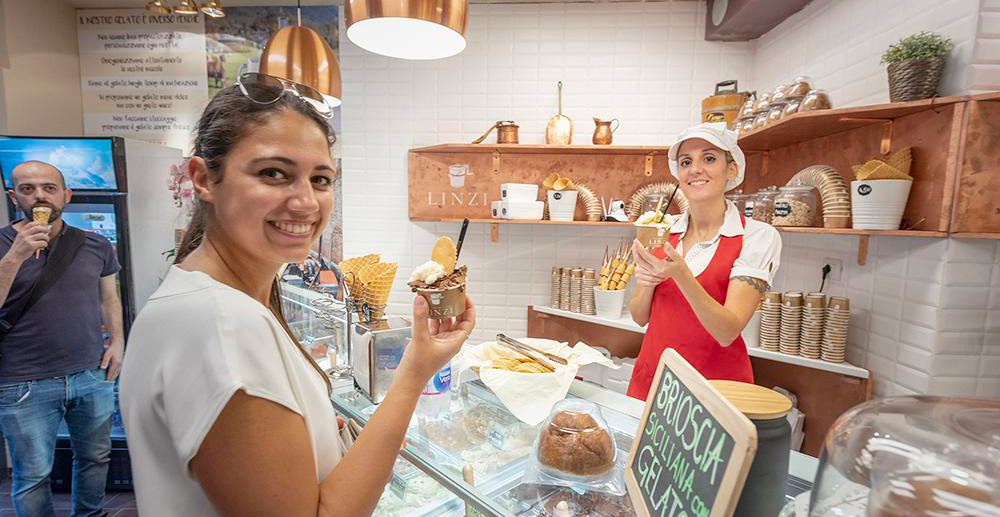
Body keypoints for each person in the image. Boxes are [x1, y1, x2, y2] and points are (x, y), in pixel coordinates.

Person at [119, 77, 475, 516]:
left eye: (321, 179)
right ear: (203, 178)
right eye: (273, 173)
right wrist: (415, 371)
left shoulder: (201, 299)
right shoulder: (222, 325)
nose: (306, 202)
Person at [0, 161, 123, 516]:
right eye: (28, 188)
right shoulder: (4, 245)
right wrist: (14, 257)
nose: (39, 195)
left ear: (65, 195)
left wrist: (117, 342)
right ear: (14, 196)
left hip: (90, 374)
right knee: (33, 474)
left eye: (49, 188)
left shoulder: (95, 244)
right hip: (21, 382)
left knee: (96, 459)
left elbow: (107, 298)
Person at [626, 123, 781, 400]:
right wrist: (647, 283)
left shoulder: (756, 237)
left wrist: (682, 275)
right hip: (654, 383)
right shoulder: (662, 229)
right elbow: (639, 317)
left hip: (715, 394)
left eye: (709, 158)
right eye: (686, 162)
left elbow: (727, 331)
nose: (695, 169)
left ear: (731, 170)